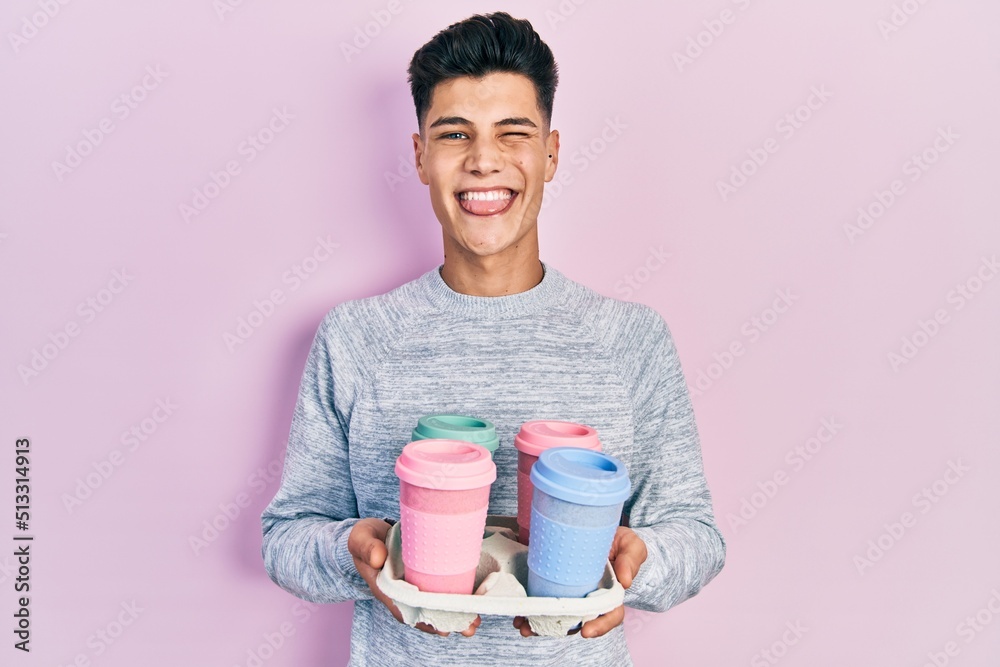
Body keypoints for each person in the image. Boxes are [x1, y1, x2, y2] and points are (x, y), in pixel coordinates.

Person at [260, 11, 725, 666]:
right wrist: (354, 553)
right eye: (455, 134)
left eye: (514, 134)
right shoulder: (355, 337)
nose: (484, 160)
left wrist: (639, 563)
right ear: (420, 156)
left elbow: (697, 537)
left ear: (551, 153)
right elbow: (285, 538)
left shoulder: (630, 340)